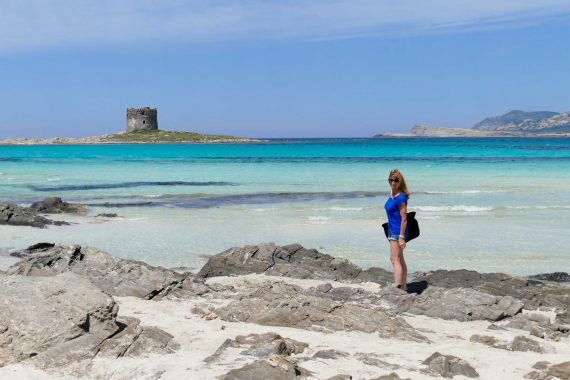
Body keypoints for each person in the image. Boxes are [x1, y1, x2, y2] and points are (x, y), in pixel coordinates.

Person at [384, 168, 411, 291]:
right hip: (392, 230)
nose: (393, 182)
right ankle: (404, 287)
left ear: (400, 181)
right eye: (391, 180)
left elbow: (404, 218)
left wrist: (401, 237)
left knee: (394, 259)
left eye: (396, 180)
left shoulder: (401, 198)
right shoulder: (392, 194)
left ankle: (397, 287)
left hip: (397, 231)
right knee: (399, 259)